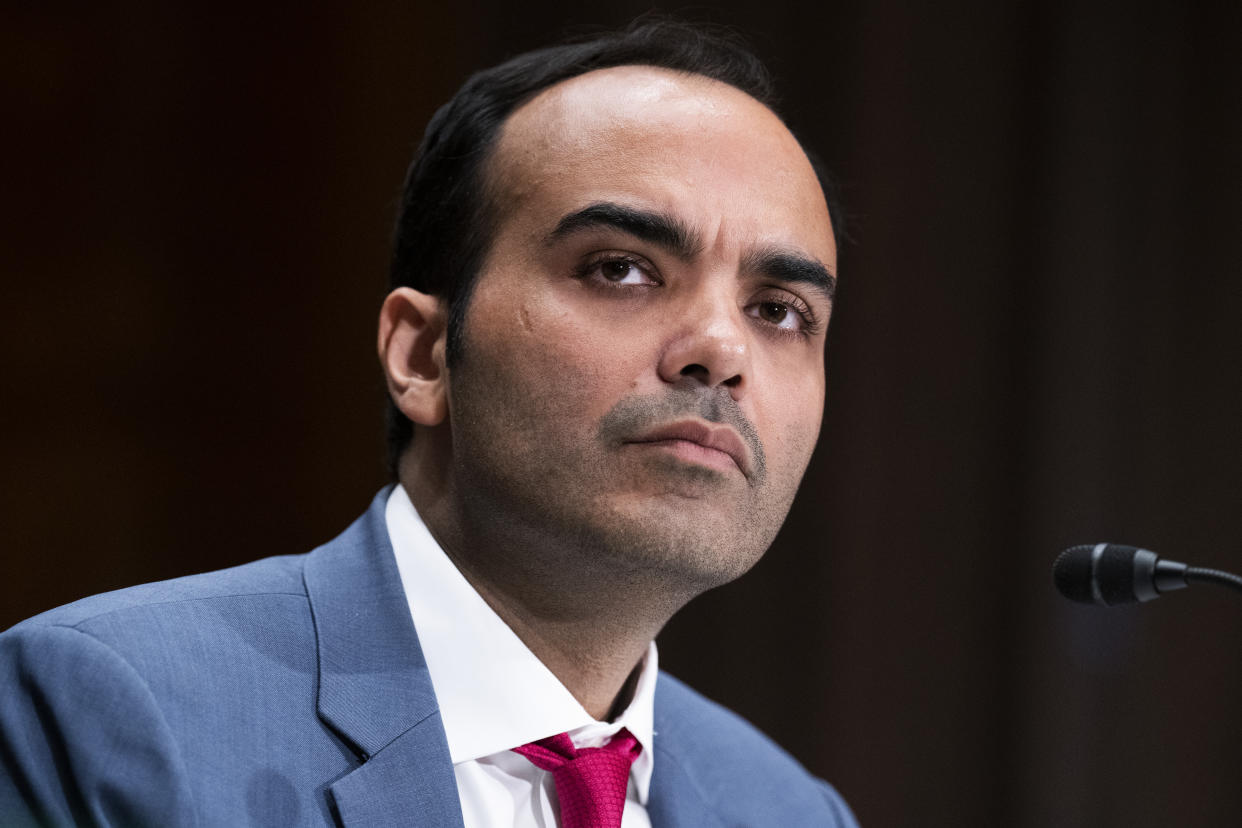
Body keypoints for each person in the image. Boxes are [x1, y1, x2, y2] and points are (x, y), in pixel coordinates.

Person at [0, 18, 858, 828]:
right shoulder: (109, 712)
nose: (720, 347)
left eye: (778, 311)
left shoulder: (787, 810)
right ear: (423, 355)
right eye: (621, 269)